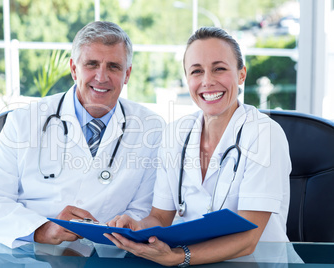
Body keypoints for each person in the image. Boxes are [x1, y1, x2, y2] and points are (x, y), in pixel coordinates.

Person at [105, 26, 291, 266]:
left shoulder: (264, 134)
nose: (207, 81)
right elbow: (161, 217)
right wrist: (137, 226)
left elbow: (249, 239)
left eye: (219, 69)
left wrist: (178, 257)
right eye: (196, 71)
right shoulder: (175, 134)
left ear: (241, 74)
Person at [0, 21, 164, 249]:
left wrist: (127, 225)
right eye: (92, 64)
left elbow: (147, 210)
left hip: (109, 255)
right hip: (29, 256)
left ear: (127, 73)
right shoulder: (24, 121)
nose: (101, 77)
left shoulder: (152, 129)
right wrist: (43, 230)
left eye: (113, 67)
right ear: (73, 69)